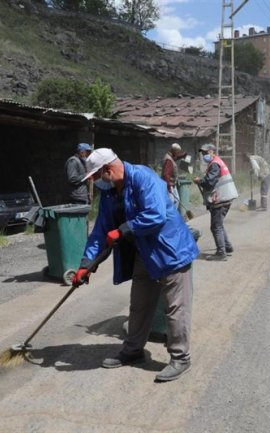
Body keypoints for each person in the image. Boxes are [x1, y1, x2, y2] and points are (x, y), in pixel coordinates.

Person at [71, 148, 199, 382]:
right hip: (145, 254)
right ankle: (133, 351)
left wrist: (122, 230)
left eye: (95, 178)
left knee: (175, 309)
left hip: (171, 251)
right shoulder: (110, 194)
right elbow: (101, 232)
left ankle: (181, 358)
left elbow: (156, 214)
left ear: (107, 170)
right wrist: (86, 264)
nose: (96, 184)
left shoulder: (143, 177)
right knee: (139, 305)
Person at [193, 143, 238, 261]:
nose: (203, 155)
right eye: (202, 153)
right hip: (225, 196)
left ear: (212, 152)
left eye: (206, 152)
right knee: (219, 224)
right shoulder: (217, 162)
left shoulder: (214, 164)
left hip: (220, 198)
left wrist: (199, 181)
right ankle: (227, 247)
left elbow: (209, 183)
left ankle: (221, 252)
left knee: (216, 226)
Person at [160, 142, 186, 210]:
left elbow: (175, 158)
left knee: (176, 200)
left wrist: (182, 155)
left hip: (172, 184)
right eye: (177, 152)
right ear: (174, 151)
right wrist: (168, 186)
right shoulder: (168, 160)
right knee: (171, 202)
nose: (177, 153)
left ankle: (172, 216)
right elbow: (166, 174)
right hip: (169, 184)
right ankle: (171, 217)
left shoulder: (170, 156)